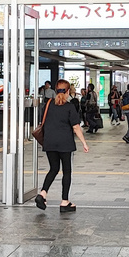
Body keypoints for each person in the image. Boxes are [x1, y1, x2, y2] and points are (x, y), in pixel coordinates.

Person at [33, 79, 89, 212]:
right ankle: (65, 202)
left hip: (49, 142)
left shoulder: (48, 104)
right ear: (68, 91)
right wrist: (84, 143)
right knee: (67, 171)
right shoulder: (69, 107)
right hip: (65, 143)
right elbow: (76, 127)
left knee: (53, 168)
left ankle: (43, 193)